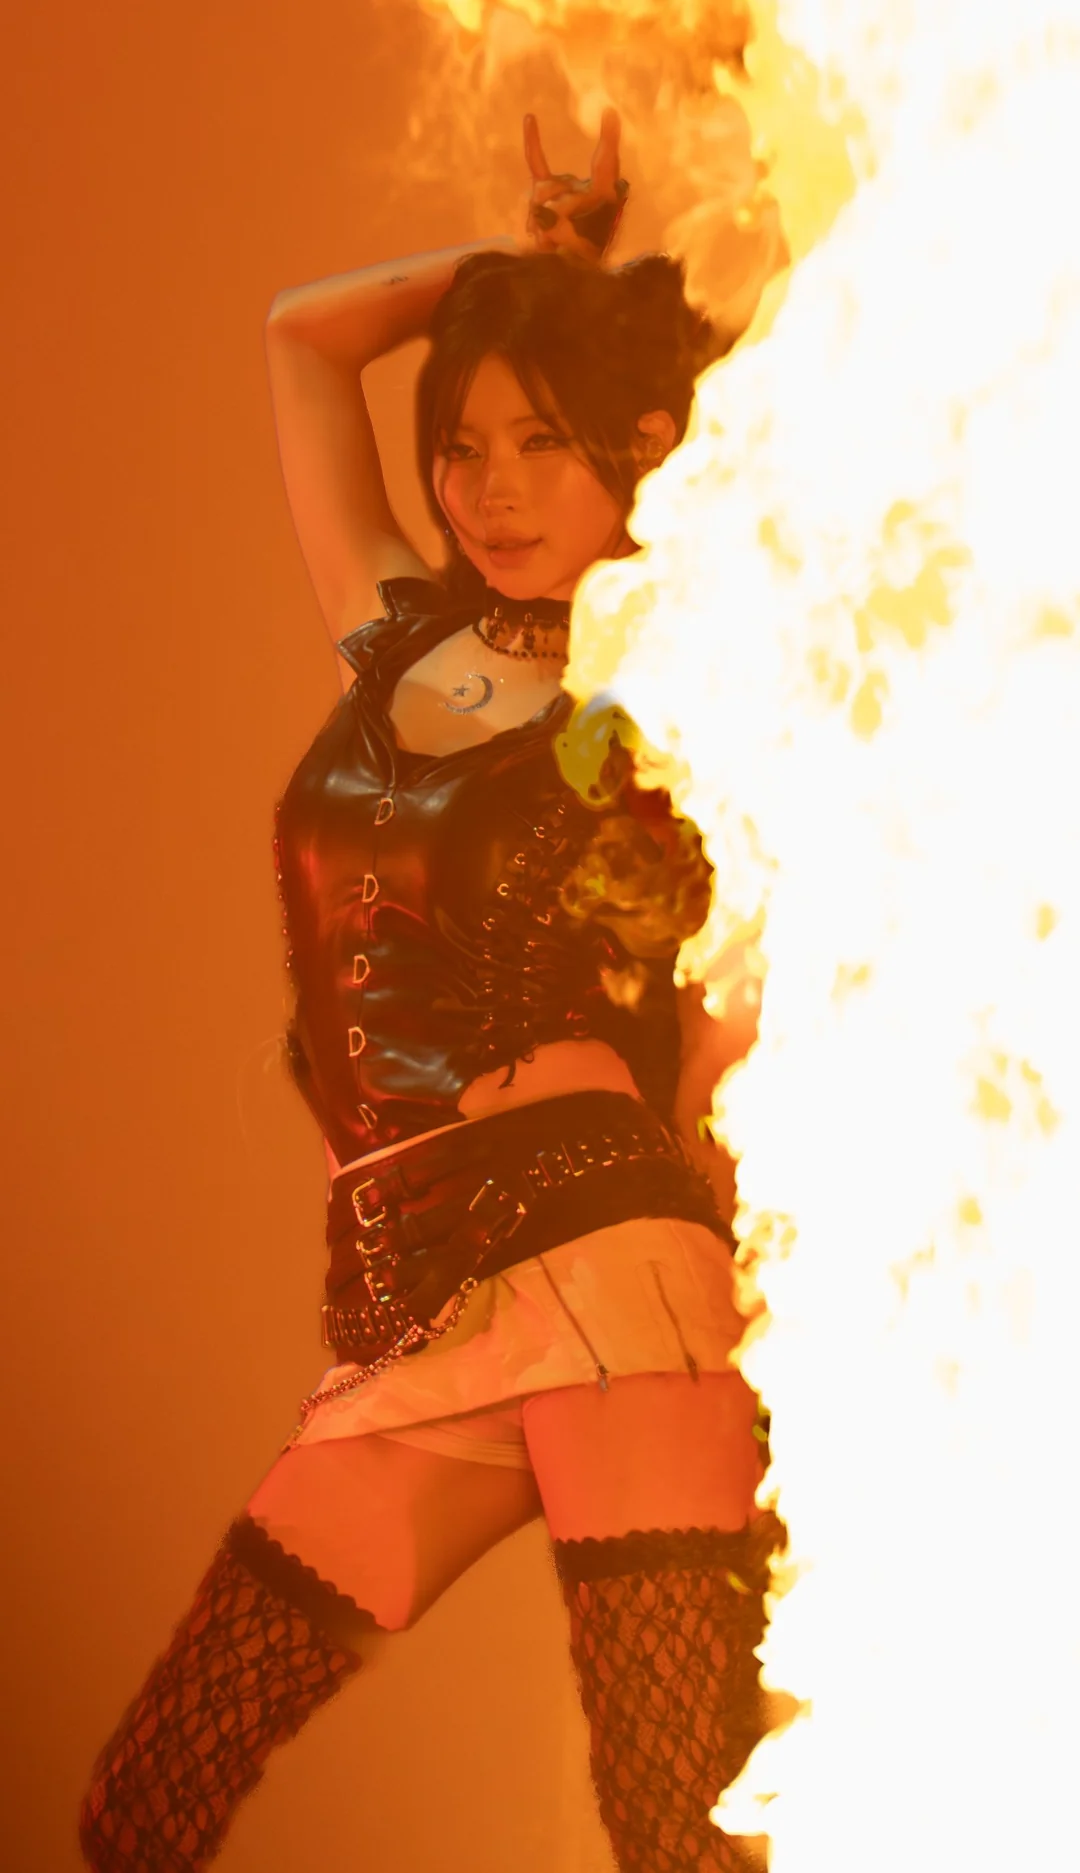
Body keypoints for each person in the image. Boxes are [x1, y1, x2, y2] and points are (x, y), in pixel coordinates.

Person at [79, 108, 781, 1873]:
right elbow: (302, 338)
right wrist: (515, 278)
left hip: (618, 1278)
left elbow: (743, 1004)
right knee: (143, 1802)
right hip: (415, 1301)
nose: (489, 489)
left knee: (672, 1834)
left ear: (639, 455)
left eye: (543, 442)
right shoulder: (401, 629)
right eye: (463, 445)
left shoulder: (678, 682)